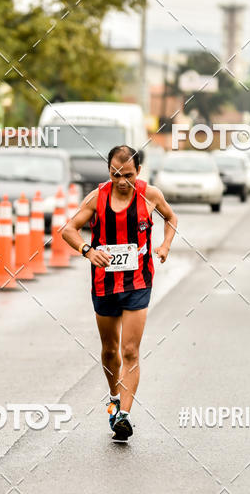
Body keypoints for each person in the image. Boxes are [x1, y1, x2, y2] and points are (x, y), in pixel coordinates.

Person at [62, 145, 177, 442]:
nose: (121, 181)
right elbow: (68, 229)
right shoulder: (97, 197)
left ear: (138, 172)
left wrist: (164, 246)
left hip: (138, 282)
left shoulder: (150, 194)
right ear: (109, 171)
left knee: (130, 351)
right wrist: (87, 250)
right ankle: (114, 397)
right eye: (115, 174)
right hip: (104, 284)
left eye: (127, 175)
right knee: (110, 351)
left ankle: (123, 416)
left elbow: (171, 218)